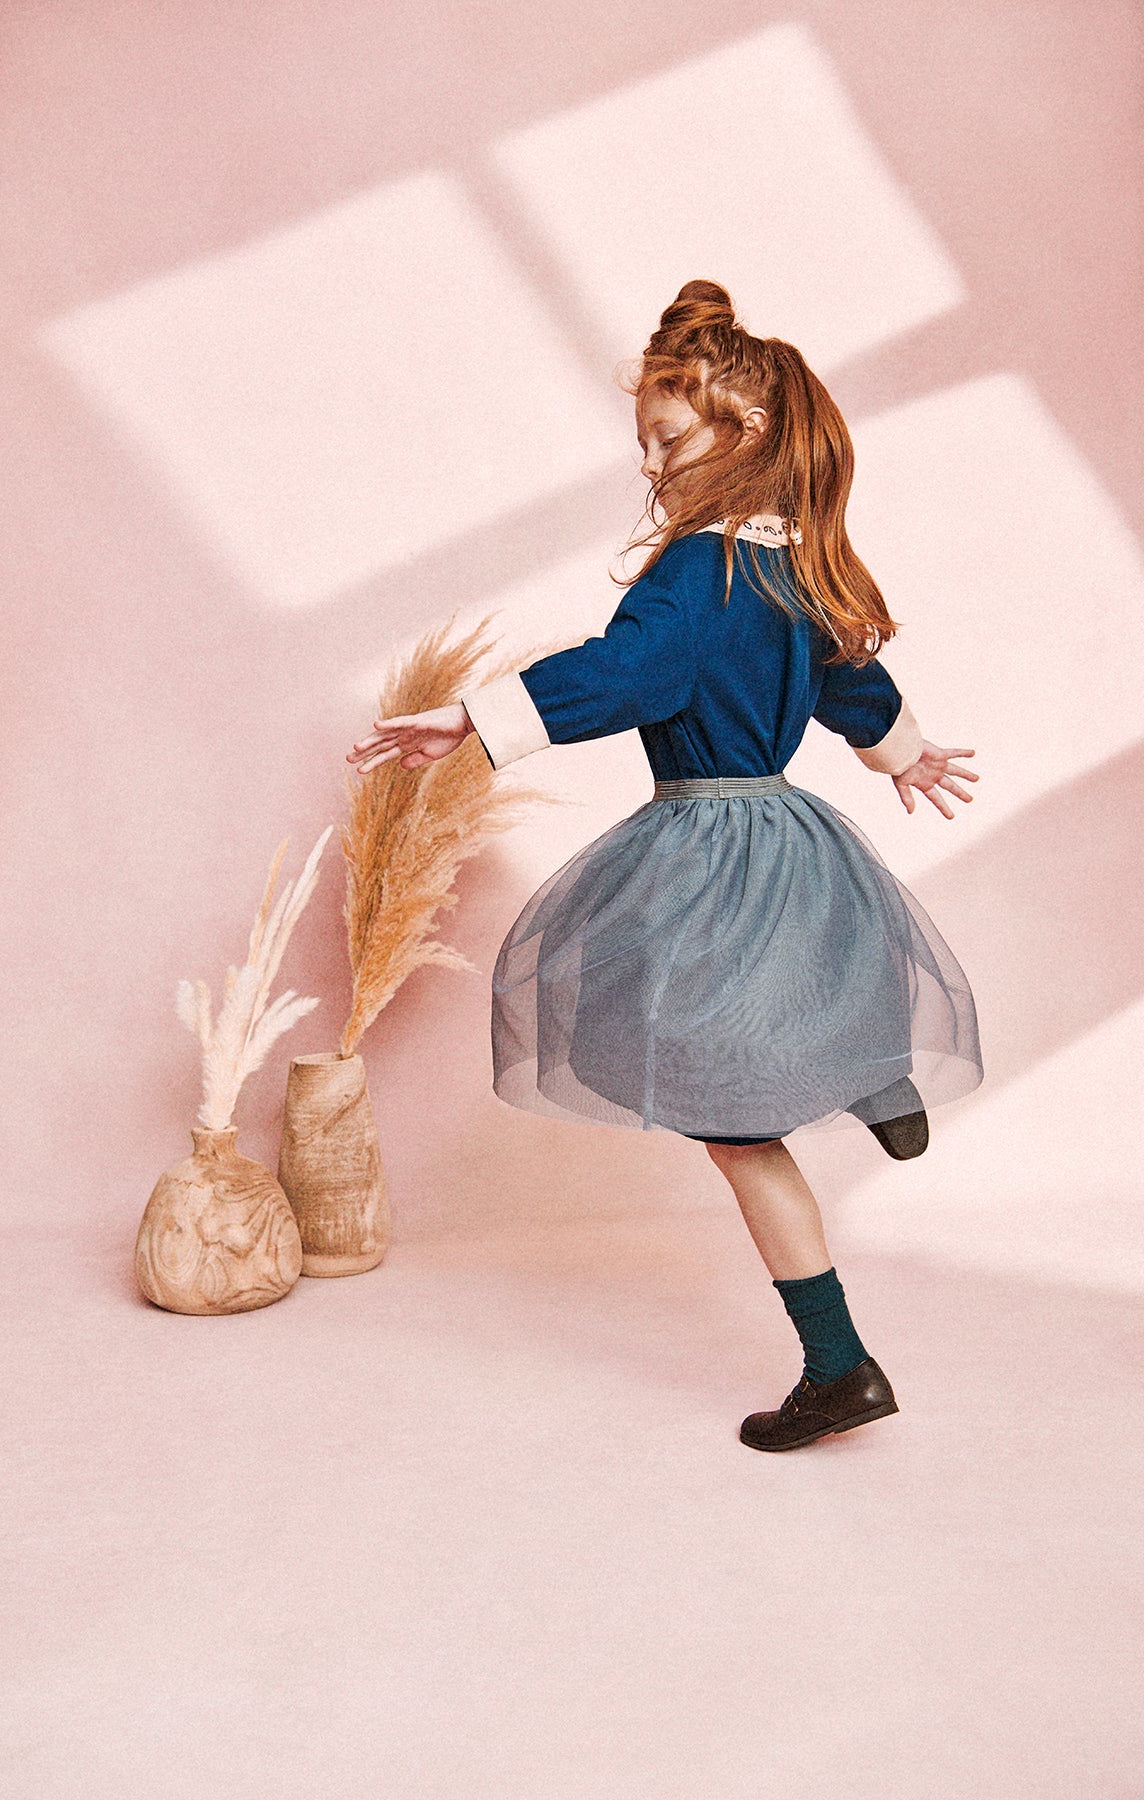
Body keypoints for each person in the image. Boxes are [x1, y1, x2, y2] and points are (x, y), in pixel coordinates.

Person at [347, 280, 984, 1452]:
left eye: (669, 438)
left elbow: (628, 674)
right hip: (794, 834)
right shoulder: (794, 565)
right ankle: (874, 1080)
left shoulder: (701, 569)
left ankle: (839, 1364)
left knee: (729, 1116)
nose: (649, 463)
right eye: (643, 440)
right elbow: (851, 684)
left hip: (705, 839)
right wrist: (905, 753)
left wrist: (476, 718)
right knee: (785, 999)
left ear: (746, 432)